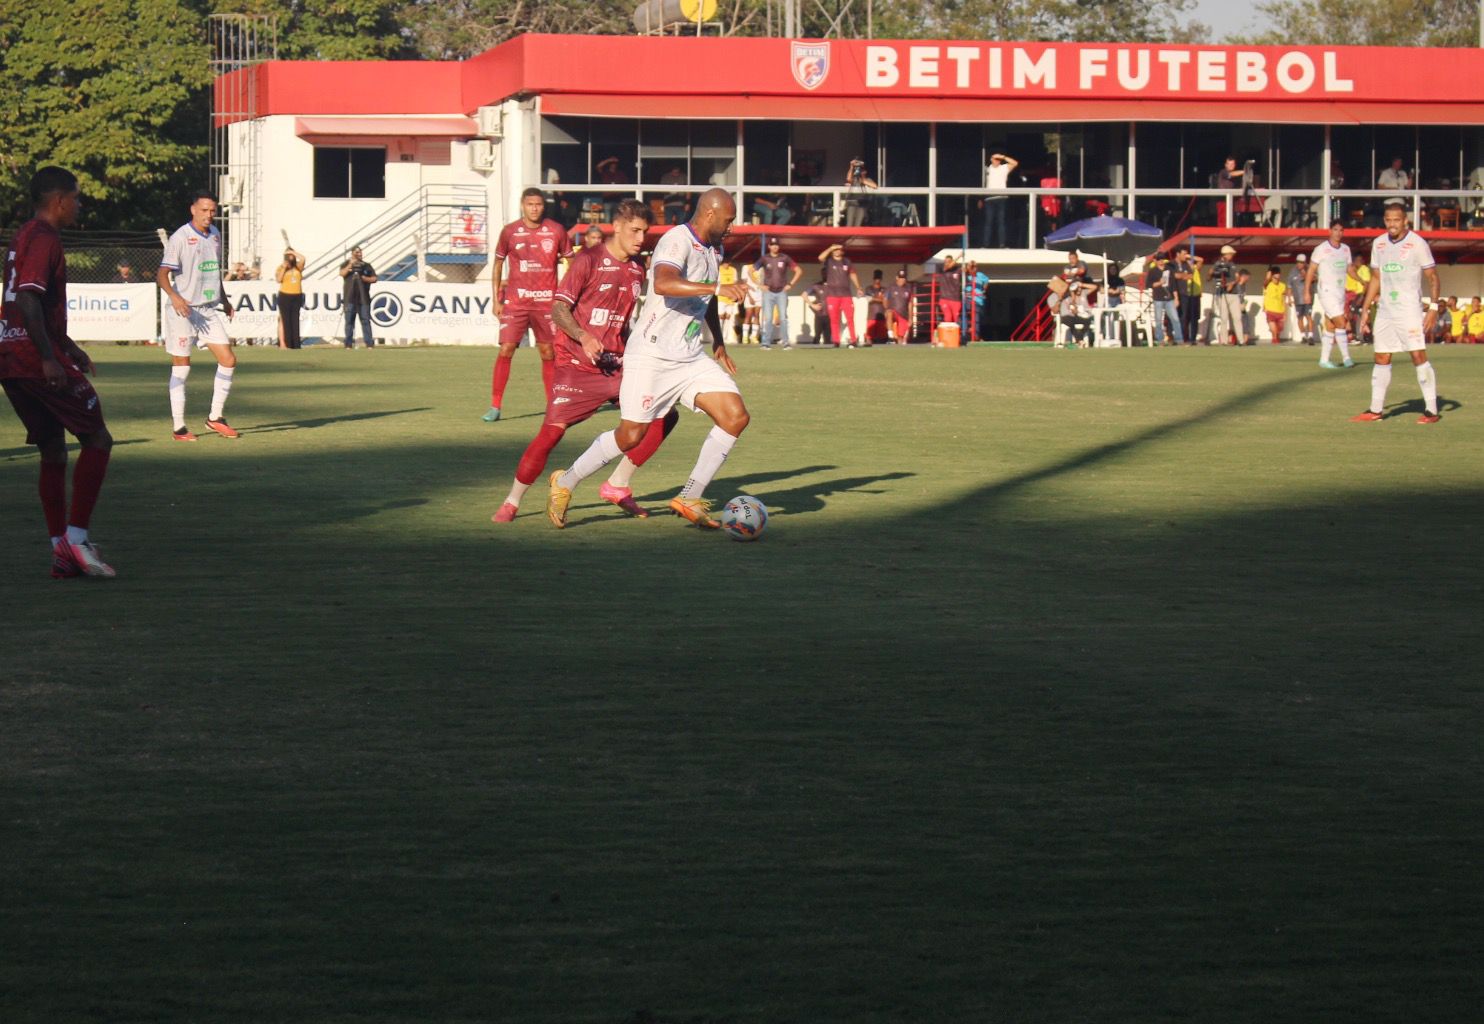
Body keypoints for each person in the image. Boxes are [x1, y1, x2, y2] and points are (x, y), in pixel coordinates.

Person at [545, 187, 753, 529]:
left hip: (689, 356)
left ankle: (689, 496)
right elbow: (665, 282)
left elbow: (707, 296)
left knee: (735, 417)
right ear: (710, 214)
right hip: (652, 355)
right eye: (728, 220)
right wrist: (715, 289)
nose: (731, 226)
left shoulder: (715, 246)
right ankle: (565, 481)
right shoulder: (676, 241)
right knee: (630, 436)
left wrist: (717, 340)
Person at [491, 200, 676, 523]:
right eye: (634, 230)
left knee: (665, 414)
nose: (640, 238)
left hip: (617, 365)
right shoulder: (587, 260)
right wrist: (584, 336)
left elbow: (625, 320)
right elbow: (558, 309)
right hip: (575, 366)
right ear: (616, 226)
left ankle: (618, 484)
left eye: (645, 233)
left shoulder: (637, 268)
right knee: (551, 433)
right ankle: (512, 501)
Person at [0, 166, 116, 578]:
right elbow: (30, 299)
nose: (80, 205)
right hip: (34, 360)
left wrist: (68, 347)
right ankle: (77, 539)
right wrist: (50, 357)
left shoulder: (22, 234)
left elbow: (21, 301)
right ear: (60, 200)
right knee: (97, 439)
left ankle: (59, 550)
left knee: (52, 448)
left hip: (10, 357)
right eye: (77, 198)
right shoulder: (45, 237)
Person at [484, 187, 572, 422]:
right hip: (516, 302)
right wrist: (496, 299)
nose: (534, 208)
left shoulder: (556, 230)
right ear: (522, 205)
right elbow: (497, 264)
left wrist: (566, 295)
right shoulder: (510, 231)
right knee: (506, 348)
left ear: (544, 206)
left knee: (547, 352)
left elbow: (570, 263)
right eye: (530, 204)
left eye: (539, 204)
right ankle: (495, 406)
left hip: (546, 303)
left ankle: (552, 406)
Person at [158, 191, 240, 441]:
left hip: (207, 310)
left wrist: (224, 300)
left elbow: (214, 272)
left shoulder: (215, 234)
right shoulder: (180, 238)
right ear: (193, 209)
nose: (209, 214)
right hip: (183, 311)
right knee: (182, 368)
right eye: (204, 210)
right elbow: (162, 275)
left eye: (212, 210)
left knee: (228, 359)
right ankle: (179, 427)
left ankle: (215, 418)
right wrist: (175, 296)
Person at [1351, 203, 1441, 424]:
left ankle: (1431, 410)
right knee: (1381, 356)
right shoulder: (1379, 243)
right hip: (1385, 312)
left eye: (1397, 220)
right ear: (1384, 220)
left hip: (1409, 310)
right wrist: (1365, 309)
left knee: (1418, 356)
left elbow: (1432, 277)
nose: (1392, 224)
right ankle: (1375, 410)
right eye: (1389, 220)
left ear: (1405, 221)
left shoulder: (1417, 243)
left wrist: (1433, 307)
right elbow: (1375, 279)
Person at [1304, 222, 1355, 369]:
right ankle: (1347, 358)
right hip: (1326, 291)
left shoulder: (1346, 249)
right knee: (1341, 322)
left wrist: (1362, 281)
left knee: (1331, 325)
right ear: (1329, 231)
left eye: (1341, 230)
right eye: (1335, 230)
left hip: (1339, 292)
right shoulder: (1321, 249)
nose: (1338, 233)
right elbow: (1311, 270)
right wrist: (1306, 291)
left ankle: (1324, 360)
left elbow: (1349, 269)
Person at [752, 237, 801, 349]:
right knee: (768, 318)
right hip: (768, 292)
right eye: (772, 245)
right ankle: (765, 343)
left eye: (777, 245)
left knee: (783, 318)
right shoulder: (764, 258)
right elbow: (751, 271)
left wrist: (791, 284)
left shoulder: (785, 258)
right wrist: (759, 285)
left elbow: (798, 270)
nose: (775, 247)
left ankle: (786, 343)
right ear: (769, 246)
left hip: (781, 292)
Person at [818, 243, 862, 347]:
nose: (837, 251)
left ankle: (853, 340)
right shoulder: (829, 261)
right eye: (835, 250)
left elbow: (852, 274)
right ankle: (836, 341)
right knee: (834, 319)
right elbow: (820, 258)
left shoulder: (847, 261)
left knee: (850, 318)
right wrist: (830, 248)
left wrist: (858, 287)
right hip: (832, 295)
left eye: (839, 249)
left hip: (846, 295)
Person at [338, 246, 377, 350]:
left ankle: (369, 344)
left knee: (365, 321)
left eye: (359, 252)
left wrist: (365, 278)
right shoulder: (346, 264)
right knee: (349, 321)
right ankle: (348, 344)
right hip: (349, 298)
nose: (358, 254)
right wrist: (351, 264)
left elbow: (374, 278)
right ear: (352, 253)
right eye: (356, 252)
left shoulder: (367, 266)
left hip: (363, 298)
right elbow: (342, 273)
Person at [979, 152, 1019, 248]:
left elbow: (1015, 163)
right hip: (989, 198)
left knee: (1001, 222)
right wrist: (980, 199)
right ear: (991, 159)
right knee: (988, 222)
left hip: (1001, 198)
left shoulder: (1003, 168)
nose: (997, 161)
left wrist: (1003, 157)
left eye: (998, 160)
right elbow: (982, 183)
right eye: (995, 159)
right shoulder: (987, 169)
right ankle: (986, 245)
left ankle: (1002, 245)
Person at [1209, 244, 1245, 345]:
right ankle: (1224, 341)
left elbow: (1237, 277)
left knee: (1237, 317)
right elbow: (1212, 274)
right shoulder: (1218, 264)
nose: (1232, 255)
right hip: (1222, 293)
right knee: (1224, 318)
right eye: (1230, 254)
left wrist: (1232, 283)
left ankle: (1241, 340)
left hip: (1234, 294)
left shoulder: (1233, 264)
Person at [1145, 254, 1183, 345]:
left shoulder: (1169, 270)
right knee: (1158, 320)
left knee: (1175, 319)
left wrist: (1176, 298)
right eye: (1159, 260)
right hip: (1158, 298)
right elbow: (1149, 285)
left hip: (1169, 298)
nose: (1161, 261)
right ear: (1156, 261)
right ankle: (1160, 340)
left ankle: (1179, 339)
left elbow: (1174, 285)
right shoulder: (1152, 271)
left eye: (1162, 259)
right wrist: (1159, 283)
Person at [275, 246, 304, 350]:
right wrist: (284, 267)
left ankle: (296, 344)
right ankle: (286, 344)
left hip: (297, 295)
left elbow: (303, 258)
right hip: (285, 295)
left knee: (295, 320)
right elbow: (278, 279)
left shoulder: (298, 267)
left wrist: (293, 252)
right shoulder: (281, 267)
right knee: (286, 320)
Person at [1172, 248, 1203, 344]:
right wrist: (1183, 275)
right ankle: (1182, 337)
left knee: (1194, 317)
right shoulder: (1180, 266)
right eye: (1184, 255)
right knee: (1184, 316)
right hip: (1185, 293)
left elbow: (1201, 260)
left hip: (1195, 294)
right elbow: (1176, 276)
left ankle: (1192, 338)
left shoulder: (1192, 267)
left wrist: (1189, 256)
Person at [842, 158, 877, 227]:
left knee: (858, 224)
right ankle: (848, 236)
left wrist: (863, 180)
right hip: (851, 203)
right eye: (858, 170)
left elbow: (874, 186)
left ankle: (856, 236)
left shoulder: (868, 180)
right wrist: (851, 167)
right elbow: (848, 179)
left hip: (862, 204)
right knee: (849, 224)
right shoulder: (854, 179)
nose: (860, 172)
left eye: (861, 170)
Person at [1287, 254, 1313, 345]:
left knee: (1308, 316)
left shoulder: (1309, 269)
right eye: (1298, 262)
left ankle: (1310, 336)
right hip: (1297, 299)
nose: (1300, 264)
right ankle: (1303, 336)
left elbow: (1316, 279)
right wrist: (1289, 298)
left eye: (1302, 262)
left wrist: (1306, 275)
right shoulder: (1292, 272)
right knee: (1300, 318)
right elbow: (1289, 286)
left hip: (1308, 298)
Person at [1058, 284, 1093, 348]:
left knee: (1087, 321)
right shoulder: (1067, 299)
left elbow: (1074, 311)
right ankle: (1080, 341)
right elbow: (1072, 310)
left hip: (1072, 318)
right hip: (1066, 317)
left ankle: (1080, 340)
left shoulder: (1072, 299)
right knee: (1072, 324)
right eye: (1074, 292)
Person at [884, 269, 913, 344]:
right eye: (900, 277)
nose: (901, 280)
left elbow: (910, 303)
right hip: (893, 311)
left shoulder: (908, 288)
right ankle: (890, 337)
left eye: (903, 278)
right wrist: (886, 309)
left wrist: (910, 318)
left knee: (901, 338)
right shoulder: (891, 287)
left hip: (903, 315)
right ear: (897, 278)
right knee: (889, 313)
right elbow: (885, 299)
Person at [963, 260, 989, 339]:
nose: (973, 269)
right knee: (964, 315)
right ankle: (965, 333)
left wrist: (984, 289)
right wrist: (968, 266)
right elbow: (962, 271)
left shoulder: (980, 275)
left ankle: (976, 336)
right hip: (968, 298)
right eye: (972, 267)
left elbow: (986, 280)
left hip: (977, 300)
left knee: (976, 318)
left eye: (975, 267)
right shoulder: (966, 275)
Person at [1262, 266, 1287, 343]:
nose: (1276, 280)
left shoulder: (1282, 286)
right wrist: (1269, 274)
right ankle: (1274, 338)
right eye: (1275, 278)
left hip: (1280, 310)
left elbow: (1283, 299)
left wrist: (1285, 312)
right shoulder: (1267, 284)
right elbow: (1266, 281)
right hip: (1270, 310)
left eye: (1278, 278)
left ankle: (1276, 336)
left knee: (1280, 328)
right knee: (1274, 329)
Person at [937, 255, 963, 328]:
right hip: (944, 298)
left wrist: (970, 266)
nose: (947, 263)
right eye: (946, 262)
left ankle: (958, 336)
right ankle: (948, 336)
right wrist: (959, 256)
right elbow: (948, 267)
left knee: (956, 318)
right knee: (948, 317)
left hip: (955, 299)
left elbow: (967, 271)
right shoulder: (941, 268)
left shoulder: (957, 269)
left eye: (949, 261)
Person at [865, 271, 887, 345]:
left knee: (882, 339)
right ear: (873, 279)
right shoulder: (869, 288)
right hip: (871, 317)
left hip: (882, 317)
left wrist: (875, 298)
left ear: (881, 279)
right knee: (869, 338)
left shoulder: (884, 289)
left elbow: (886, 301)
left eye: (879, 278)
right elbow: (869, 299)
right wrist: (880, 299)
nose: (877, 280)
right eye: (876, 278)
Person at [803, 279, 828, 344]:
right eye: (824, 273)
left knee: (828, 338)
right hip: (819, 314)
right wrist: (812, 305)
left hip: (830, 315)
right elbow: (804, 295)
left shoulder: (834, 285)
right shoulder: (816, 286)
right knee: (817, 336)